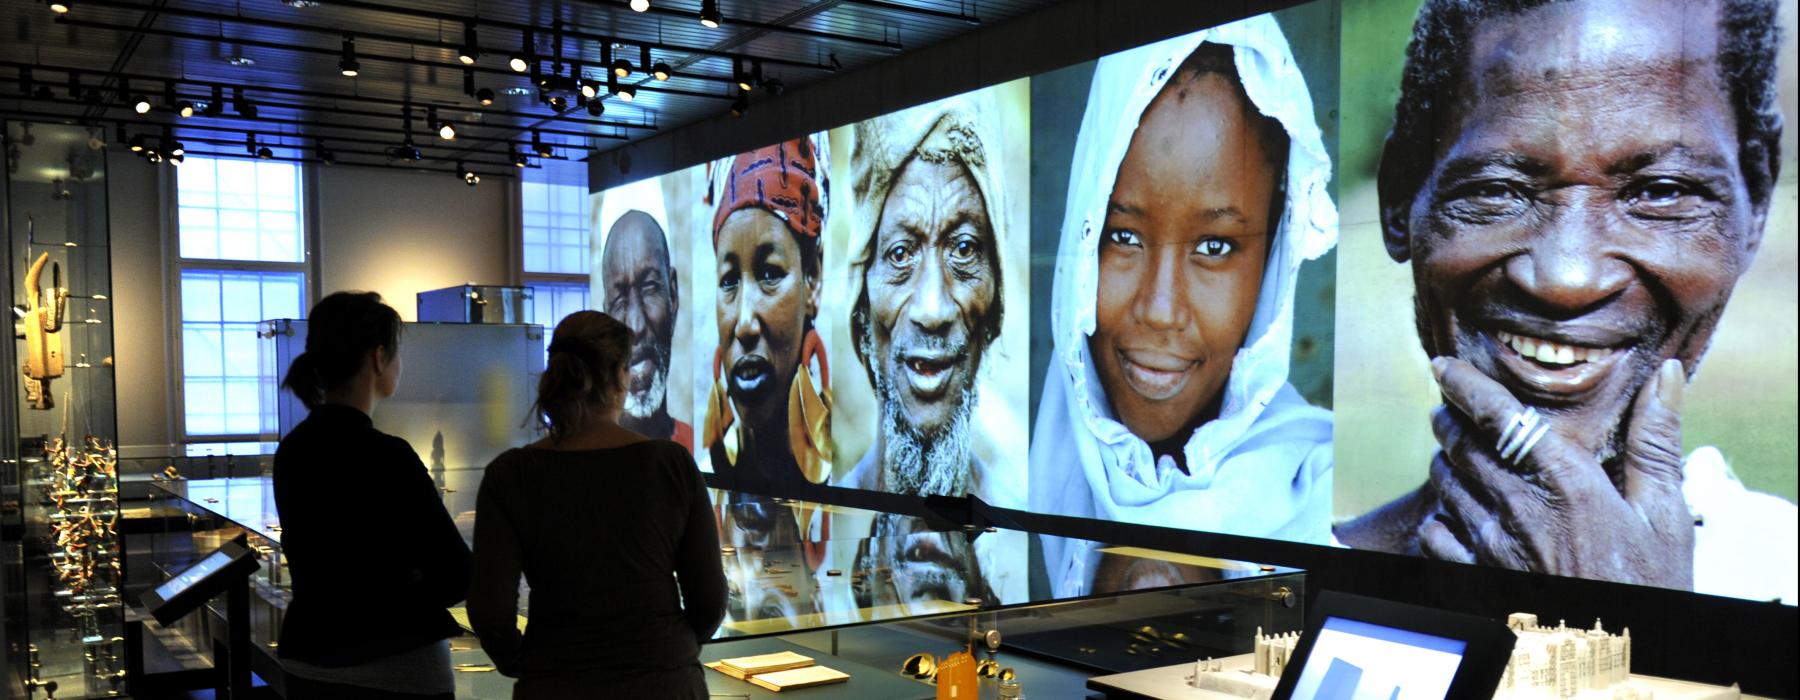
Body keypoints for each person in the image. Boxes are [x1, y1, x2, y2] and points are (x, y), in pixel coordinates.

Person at [1334, 0, 1796, 604]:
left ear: (1754, 202)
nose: (1566, 279)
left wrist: (1630, 614)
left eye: (1660, 192)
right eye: (1497, 189)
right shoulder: (1278, 580)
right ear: (1400, 199)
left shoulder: (1779, 568)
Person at [1030, 16, 1339, 598]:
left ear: (1273, 258)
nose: (1161, 309)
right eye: (1122, 236)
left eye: (1215, 247)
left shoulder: (1326, 506)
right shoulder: (1020, 484)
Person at [468, 311, 726, 698]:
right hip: (663, 680)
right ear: (621, 376)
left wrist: (523, 661)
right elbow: (709, 600)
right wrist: (671, 648)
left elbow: (490, 611)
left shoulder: (511, 475)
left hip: (557, 682)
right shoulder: (670, 465)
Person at [273, 291, 470, 699]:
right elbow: (455, 577)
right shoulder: (388, 455)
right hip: (395, 669)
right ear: (379, 358)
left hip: (308, 660)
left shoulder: (292, 449)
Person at [837, 100, 1008, 501]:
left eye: (963, 249)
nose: (933, 309)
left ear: (995, 307)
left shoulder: (1018, 531)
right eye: (900, 254)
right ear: (861, 309)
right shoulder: (828, 527)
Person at [702, 136, 833, 492]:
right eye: (729, 281)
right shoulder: (696, 480)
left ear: (813, 279)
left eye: (770, 274)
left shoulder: (853, 481)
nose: (744, 323)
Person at [602, 209, 694, 451]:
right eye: (619, 301)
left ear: (673, 296)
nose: (635, 325)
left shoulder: (696, 450)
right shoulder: (592, 456)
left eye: (649, 287)